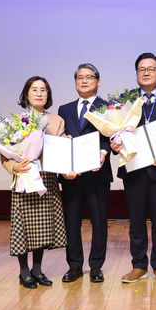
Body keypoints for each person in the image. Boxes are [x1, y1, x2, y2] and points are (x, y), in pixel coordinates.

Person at [111, 52, 156, 284]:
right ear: (137, 73)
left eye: (151, 69)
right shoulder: (126, 99)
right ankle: (139, 265)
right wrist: (115, 144)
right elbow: (115, 131)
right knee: (136, 220)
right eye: (142, 69)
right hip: (133, 168)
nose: (146, 72)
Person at [1, 76, 67, 288]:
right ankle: (23, 271)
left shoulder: (57, 121)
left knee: (42, 226)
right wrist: (14, 167)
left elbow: (60, 151)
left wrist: (67, 146)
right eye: (34, 89)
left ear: (48, 95)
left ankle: (37, 269)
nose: (39, 93)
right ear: (26, 94)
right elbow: (5, 155)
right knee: (24, 226)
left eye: (43, 90)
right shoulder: (14, 121)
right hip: (24, 176)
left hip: (46, 178)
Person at [57, 64, 112, 283]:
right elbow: (61, 138)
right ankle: (75, 265)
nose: (84, 81)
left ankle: (96, 266)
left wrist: (103, 151)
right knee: (71, 221)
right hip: (72, 176)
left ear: (98, 82)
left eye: (89, 77)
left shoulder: (108, 108)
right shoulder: (65, 109)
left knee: (99, 221)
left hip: (98, 174)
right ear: (75, 82)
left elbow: (112, 137)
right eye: (80, 77)